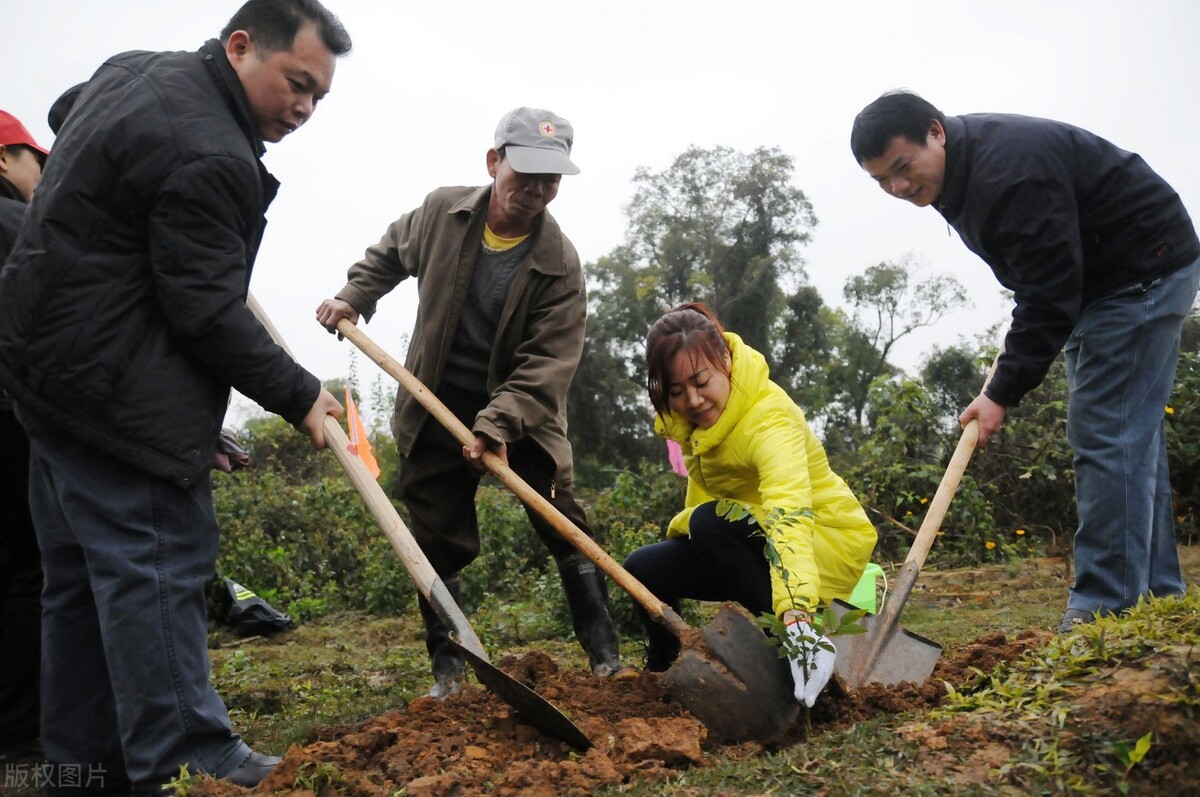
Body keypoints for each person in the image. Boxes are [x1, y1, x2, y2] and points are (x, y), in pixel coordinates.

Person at [0, 2, 351, 793]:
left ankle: (84, 769)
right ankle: (195, 753)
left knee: (83, 587)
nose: (303, 108)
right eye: (297, 84)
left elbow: (67, 113)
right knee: (157, 559)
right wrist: (301, 396)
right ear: (239, 47)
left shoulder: (134, 71)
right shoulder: (212, 154)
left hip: (43, 378)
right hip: (115, 398)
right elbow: (202, 309)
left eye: (319, 97)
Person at [850, 90, 1200, 634]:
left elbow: (1049, 290)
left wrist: (1000, 393)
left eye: (902, 168)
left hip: (1140, 270)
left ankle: (1104, 608)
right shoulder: (954, 174)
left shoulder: (1007, 173)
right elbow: (1039, 275)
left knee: (1106, 431)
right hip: (1099, 285)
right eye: (882, 181)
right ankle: (1157, 595)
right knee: (1129, 434)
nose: (898, 187)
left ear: (936, 133)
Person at [316, 106, 634, 698]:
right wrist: (353, 294)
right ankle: (451, 673)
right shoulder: (443, 212)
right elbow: (389, 253)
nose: (536, 192)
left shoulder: (559, 265)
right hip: (432, 398)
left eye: (551, 181)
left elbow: (548, 365)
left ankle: (606, 659)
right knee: (434, 537)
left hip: (521, 415)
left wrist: (496, 425)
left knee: (562, 522)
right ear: (494, 162)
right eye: (526, 176)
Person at [623, 303, 877, 706]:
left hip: (822, 544)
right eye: (676, 391)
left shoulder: (769, 420)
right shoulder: (696, 426)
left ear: (724, 359)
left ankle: (788, 650)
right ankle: (667, 666)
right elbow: (709, 499)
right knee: (643, 569)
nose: (693, 400)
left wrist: (796, 616)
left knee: (710, 522)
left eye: (701, 381)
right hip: (746, 545)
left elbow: (788, 512)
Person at [0, 110, 49, 761]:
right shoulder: (15, 224)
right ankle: (20, 730)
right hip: (11, 416)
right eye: (36, 158)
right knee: (35, 568)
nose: (43, 171)